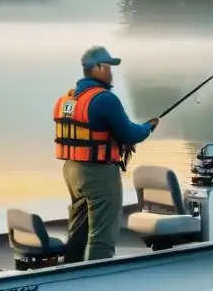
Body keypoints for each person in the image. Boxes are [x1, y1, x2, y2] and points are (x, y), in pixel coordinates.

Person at [53, 46, 159, 262]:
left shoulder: (67, 99)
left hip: (72, 169)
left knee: (79, 227)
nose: (111, 73)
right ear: (98, 67)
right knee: (103, 232)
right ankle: (96, 277)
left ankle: (70, 269)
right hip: (98, 172)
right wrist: (148, 127)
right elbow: (130, 133)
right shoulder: (104, 99)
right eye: (109, 67)